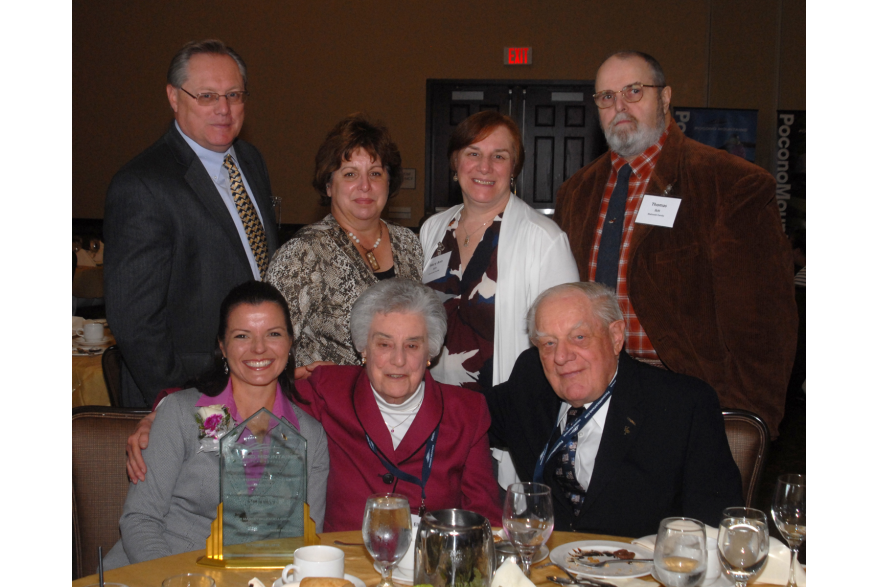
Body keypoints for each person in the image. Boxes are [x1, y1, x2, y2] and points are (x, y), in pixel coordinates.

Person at [128, 280, 501, 532]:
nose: (398, 361)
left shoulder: (466, 412)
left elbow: (485, 518)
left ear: (431, 352)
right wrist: (161, 410)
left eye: (413, 345)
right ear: (362, 348)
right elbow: (246, 382)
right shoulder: (329, 389)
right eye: (384, 344)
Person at [554, 51, 796, 438]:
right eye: (606, 97)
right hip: (593, 395)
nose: (620, 106)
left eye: (634, 91)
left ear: (665, 98)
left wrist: (749, 425)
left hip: (688, 403)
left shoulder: (728, 184)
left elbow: (763, 330)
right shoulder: (576, 192)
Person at [485, 282, 743, 538]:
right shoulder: (530, 383)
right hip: (547, 570)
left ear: (616, 336)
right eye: (549, 343)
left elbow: (715, 527)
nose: (561, 357)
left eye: (579, 337)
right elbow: (462, 414)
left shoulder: (683, 406)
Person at [104, 281, 329, 570]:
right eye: (242, 336)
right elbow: (140, 520)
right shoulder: (185, 415)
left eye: (273, 334)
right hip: (159, 571)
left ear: (289, 342)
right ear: (222, 346)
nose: (259, 348)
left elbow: (303, 541)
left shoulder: (308, 436)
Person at [105, 39, 278, 407]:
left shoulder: (251, 160)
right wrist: (178, 406)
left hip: (261, 378)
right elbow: (135, 321)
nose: (224, 109)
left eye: (234, 94)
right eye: (206, 96)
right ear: (173, 97)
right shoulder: (142, 184)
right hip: (187, 391)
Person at [418, 111, 579, 489]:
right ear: (455, 163)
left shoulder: (543, 239)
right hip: (435, 418)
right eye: (473, 153)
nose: (485, 167)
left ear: (514, 167)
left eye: (499, 156)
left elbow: (563, 344)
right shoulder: (432, 230)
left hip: (498, 427)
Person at [266, 115, 422, 368]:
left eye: (375, 173)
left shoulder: (410, 244)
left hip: (402, 397)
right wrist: (300, 375)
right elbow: (268, 342)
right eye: (350, 174)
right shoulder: (303, 253)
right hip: (329, 402)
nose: (365, 186)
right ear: (329, 185)